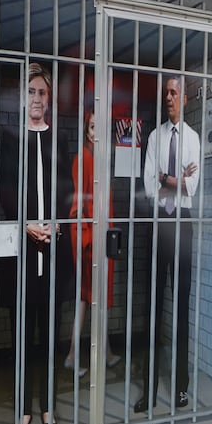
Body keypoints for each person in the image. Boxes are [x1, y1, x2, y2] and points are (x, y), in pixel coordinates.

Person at [0, 62, 72, 424]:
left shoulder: (59, 141)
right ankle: (24, 411)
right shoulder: (11, 139)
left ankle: (48, 407)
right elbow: (3, 192)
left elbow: (68, 191)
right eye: (31, 92)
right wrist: (24, 225)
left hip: (54, 252)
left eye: (42, 92)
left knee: (50, 339)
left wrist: (57, 225)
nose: (37, 99)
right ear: (22, 97)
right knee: (22, 340)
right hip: (23, 255)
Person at [136, 73, 202, 414]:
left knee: (181, 310)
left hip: (183, 226)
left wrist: (169, 179)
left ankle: (181, 389)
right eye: (166, 93)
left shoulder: (193, 139)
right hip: (159, 223)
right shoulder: (154, 138)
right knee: (152, 309)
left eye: (174, 93)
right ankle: (147, 391)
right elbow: (149, 186)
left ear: (185, 98)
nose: (169, 98)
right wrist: (172, 180)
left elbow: (193, 187)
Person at [64, 106, 121, 374]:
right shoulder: (83, 159)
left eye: (101, 127)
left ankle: (102, 353)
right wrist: (88, 240)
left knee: (92, 300)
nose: (97, 132)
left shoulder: (96, 159)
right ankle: (74, 355)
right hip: (91, 242)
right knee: (87, 300)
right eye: (93, 127)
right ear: (87, 131)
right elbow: (79, 205)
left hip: (99, 239)